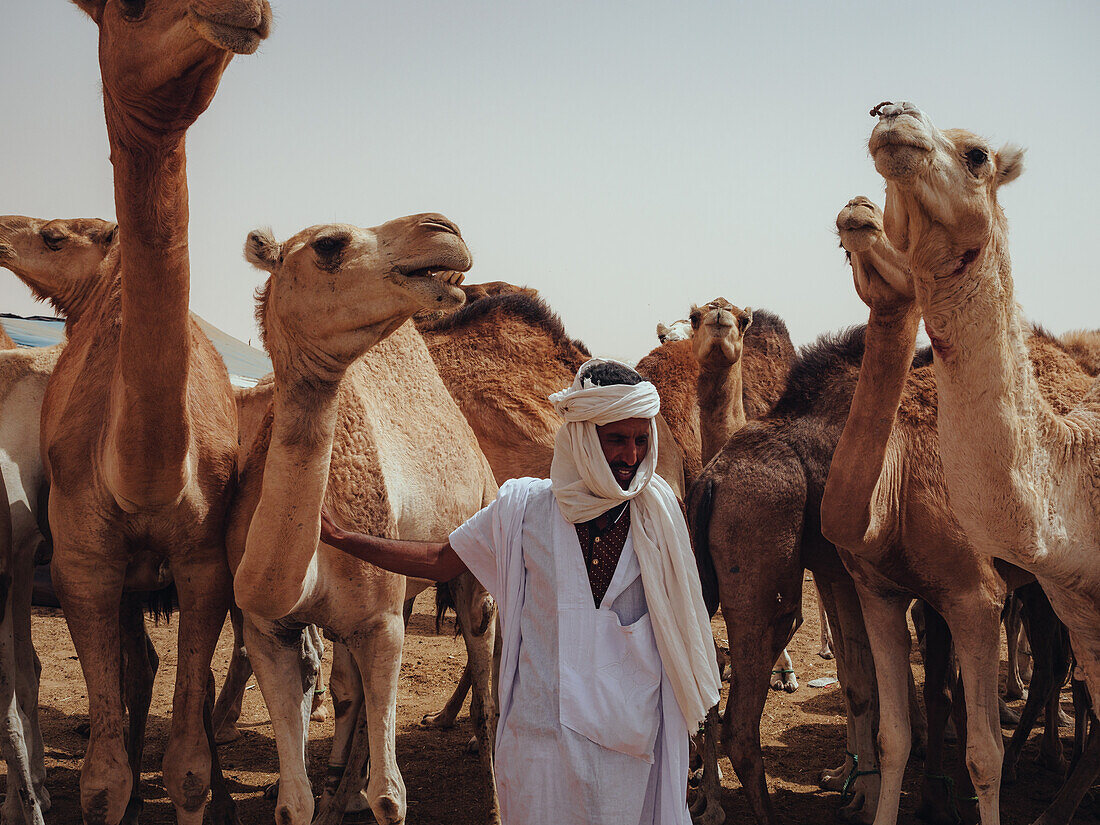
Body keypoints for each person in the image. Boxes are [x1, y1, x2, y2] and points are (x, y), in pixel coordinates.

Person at [320, 358, 720, 825]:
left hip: (630, 743)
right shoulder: (524, 510)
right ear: (583, 437)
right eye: (616, 440)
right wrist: (345, 540)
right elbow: (439, 560)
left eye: (640, 440)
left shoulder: (658, 517)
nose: (631, 457)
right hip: (541, 737)